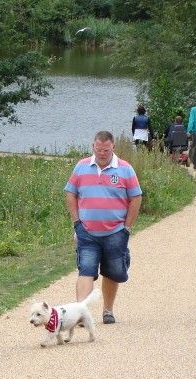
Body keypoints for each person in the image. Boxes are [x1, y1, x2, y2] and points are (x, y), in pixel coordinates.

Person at [65, 131, 142, 324]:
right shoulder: (81, 167)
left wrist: (127, 227)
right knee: (86, 270)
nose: (102, 153)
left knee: (113, 271)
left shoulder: (125, 169)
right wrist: (76, 222)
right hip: (87, 231)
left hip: (115, 232)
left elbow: (136, 197)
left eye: (106, 150)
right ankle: (80, 314)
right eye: (98, 150)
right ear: (93, 147)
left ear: (113, 147)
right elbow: (70, 193)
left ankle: (107, 310)